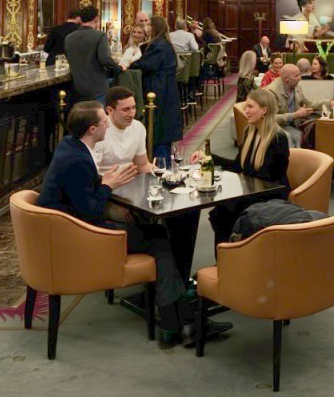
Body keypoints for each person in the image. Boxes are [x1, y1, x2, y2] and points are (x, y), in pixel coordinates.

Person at [36, 101, 231, 347]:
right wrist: (107, 185)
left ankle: (177, 321)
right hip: (79, 235)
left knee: (157, 234)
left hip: (66, 228)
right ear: (92, 129)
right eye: (104, 122)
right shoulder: (78, 161)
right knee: (159, 240)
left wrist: (104, 183)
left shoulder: (69, 146)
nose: (108, 126)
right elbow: (92, 212)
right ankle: (178, 321)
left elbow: (82, 194)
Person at [202, 89, 290, 245]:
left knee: (225, 210)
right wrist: (208, 157)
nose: (246, 111)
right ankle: (227, 256)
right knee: (221, 209)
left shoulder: (278, 138)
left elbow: (270, 179)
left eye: (250, 107)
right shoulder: (250, 132)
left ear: (264, 110)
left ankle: (232, 253)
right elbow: (238, 167)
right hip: (253, 189)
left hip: (271, 193)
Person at [128, 15, 183, 161]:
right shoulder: (162, 43)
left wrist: (130, 65)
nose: (147, 28)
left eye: (149, 25)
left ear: (154, 27)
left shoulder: (159, 45)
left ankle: (160, 165)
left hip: (159, 90)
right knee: (162, 132)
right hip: (164, 89)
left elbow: (146, 64)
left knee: (159, 131)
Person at [267, 63, 334, 148]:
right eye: (296, 76)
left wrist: (329, 103)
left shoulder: (297, 88)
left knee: (301, 137)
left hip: (290, 125)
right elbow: (271, 118)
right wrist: (295, 115)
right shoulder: (272, 92)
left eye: (299, 75)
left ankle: (299, 156)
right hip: (274, 126)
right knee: (287, 138)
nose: (300, 78)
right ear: (286, 78)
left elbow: (308, 104)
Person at [64, 6, 121, 103]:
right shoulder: (100, 36)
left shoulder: (69, 38)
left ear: (81, 19)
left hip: (77, 88)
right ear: (96, 19)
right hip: (97, 88)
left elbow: (68, 58)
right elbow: (105, 59)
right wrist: (118, 68)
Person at [94, 87, 153, 172]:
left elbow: (142, 165)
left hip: (131, 179)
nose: (131, 114)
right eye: (126, 110)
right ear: (110, 110)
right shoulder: (99, 131)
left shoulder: (138, 127)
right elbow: (93, 173)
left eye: (133, 108)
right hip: (105, 179)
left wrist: (166, 174)